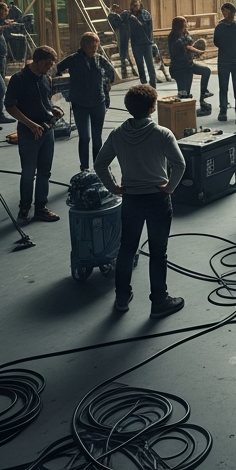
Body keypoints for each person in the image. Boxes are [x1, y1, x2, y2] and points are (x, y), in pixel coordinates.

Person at [94, 84, 186, 319]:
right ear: (153, 107)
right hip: (157, 198)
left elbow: (100, 164)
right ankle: (159, 301)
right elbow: (180, 164)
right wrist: (170, 187)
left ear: (128, 108)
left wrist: (113, 187)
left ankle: (122, 297)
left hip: (131, 199)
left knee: (127, 248)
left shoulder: (117, 134)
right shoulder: (162, 134)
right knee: (158, 252)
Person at [4, 45, 62, 224]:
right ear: (39, 61)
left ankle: (41, 208)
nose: (50, 67)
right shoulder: (19, 79)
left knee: (45, 171)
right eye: (48, 64)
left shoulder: (46, 78)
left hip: (47, 130)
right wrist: (29, 124)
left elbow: (45, 101)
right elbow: (10, 106)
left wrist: (53, 110)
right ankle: (24, 209)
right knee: (28, 172)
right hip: (29, 132)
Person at [56, 33, 117, 172]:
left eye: (96, 46)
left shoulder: (99, 59)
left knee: (97, 137)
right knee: (84, 137)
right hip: (80, 103)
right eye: (91, 46)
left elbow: (110, 73)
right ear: (84, 46)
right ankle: (84, 167)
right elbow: (57, 69)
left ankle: (98, 166)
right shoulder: (74, 59)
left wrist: (107, 82)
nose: (94, 49)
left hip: (98, 101)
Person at [166, 17, 212, 115]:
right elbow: (186, 46)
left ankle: (203, 94)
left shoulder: (185, 33)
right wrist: (198, 51)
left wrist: (195, 51)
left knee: (206, 71)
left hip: (188, 65)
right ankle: (183, 113)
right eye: (184, 25)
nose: (186, 26)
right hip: (179, 68)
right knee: (184, 93)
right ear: (179, 26)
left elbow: (190, 42)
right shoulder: (173, 37)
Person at [213, 2, 236, 123]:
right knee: (223, 87)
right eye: (223, 12)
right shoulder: (219, 27)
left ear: (232, 12)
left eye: (226, 12)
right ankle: (223, 110)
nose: (224, 14)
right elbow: (216, 42)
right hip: (223, 61)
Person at [127, 0, 157, 88]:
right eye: (134, 5)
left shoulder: (145, 13)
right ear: (131, 6)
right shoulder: (129, 15)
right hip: (136, 43)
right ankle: (143, 84)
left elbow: (147, 27)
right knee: (140, 65)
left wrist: (136, 20)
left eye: (137, 4)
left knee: (150, 65)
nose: (136, 6)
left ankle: (153, 85)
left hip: (146, 42)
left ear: (140, 5)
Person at [108, 3, 134, 79]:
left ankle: (130, 70)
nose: (117, 10)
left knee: (126, 52)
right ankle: (124, 72)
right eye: (116, 8)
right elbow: (116, 23)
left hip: (125, 34)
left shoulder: (124, 15)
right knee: (123, 52)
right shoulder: (112, 16)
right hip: (120, 34)